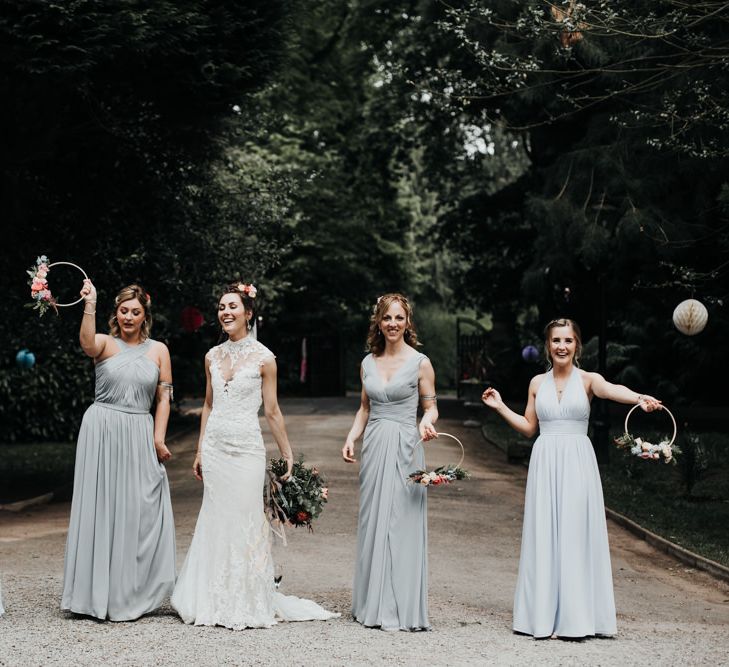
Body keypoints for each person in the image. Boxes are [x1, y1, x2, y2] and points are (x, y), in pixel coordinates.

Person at [171, 283, 339, 629]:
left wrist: (287, 452)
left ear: (248, 313)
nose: (225, 312)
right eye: (221, 307)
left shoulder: (265, 358)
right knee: (216, 517)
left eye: (232, 306)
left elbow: (273, 411)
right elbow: (207, 404)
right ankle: (212, 597)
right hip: (216, 448)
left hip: (247, 449)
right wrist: (201, 448)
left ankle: (246, 597)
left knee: (247, 518)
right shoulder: (212, 357)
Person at [482, 318, 662, 639]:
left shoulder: (589, 380)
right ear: (548, 346)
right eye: (556, 341)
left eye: (568, 340)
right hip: (545, 460)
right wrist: (498, 407)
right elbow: (528, 426)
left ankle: (577, 619)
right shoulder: (537, 383)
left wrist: (639, 398)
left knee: (575, 532)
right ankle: (542, 616)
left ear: (576, 345)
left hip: (578, 461)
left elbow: (614, 390)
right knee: (545, 533)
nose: (562, 346)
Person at [61, 281, 176, 621]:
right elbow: (85, 343)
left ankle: (130, 591)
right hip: (101, 428)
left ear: (145, 316)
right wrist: (89, 304)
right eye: (124, 311)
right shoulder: (104, 343)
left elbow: (163, 397)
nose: (128, 317)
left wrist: (159, 438)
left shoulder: (159, 350)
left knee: (137, 507)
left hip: (139, 430)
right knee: (99, 506)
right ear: (116, 313)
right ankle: (92, 595)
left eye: (135, 312)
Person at [342, 293, 438, 631]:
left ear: (407, 322)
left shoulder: (420, 362)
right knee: (374, 520)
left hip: (406, 444)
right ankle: (372, 602)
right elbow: (365, 409)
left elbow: (430, 406)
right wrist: (352, 437)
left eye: (399, 318)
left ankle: (401, 606)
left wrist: (427, 422)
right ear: (378, 323)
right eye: (387, 318)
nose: (393, 324)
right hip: (375, 443)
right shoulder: (368, 362)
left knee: (402, 520)